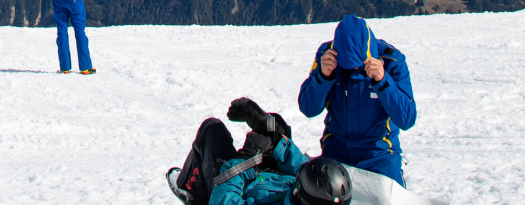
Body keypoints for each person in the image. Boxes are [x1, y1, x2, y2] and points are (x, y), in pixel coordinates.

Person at [297, 15, 417, 186]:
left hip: (379, 154)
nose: (352, 69)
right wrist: (323, 77)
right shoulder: (326, 56)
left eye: (357, 64)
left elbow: (407, 119)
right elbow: (308, 108)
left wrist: (383, 81)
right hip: (336, 151)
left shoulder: (392, 62)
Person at [167, 98, 349, 205]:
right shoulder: (312, 193)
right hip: (260, 176)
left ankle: (192, 191)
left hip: (226, 189)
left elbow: (225, 198)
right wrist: (268, 126)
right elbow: (299, 164)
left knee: (211, 130)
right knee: (276, 125)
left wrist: (247, 159)